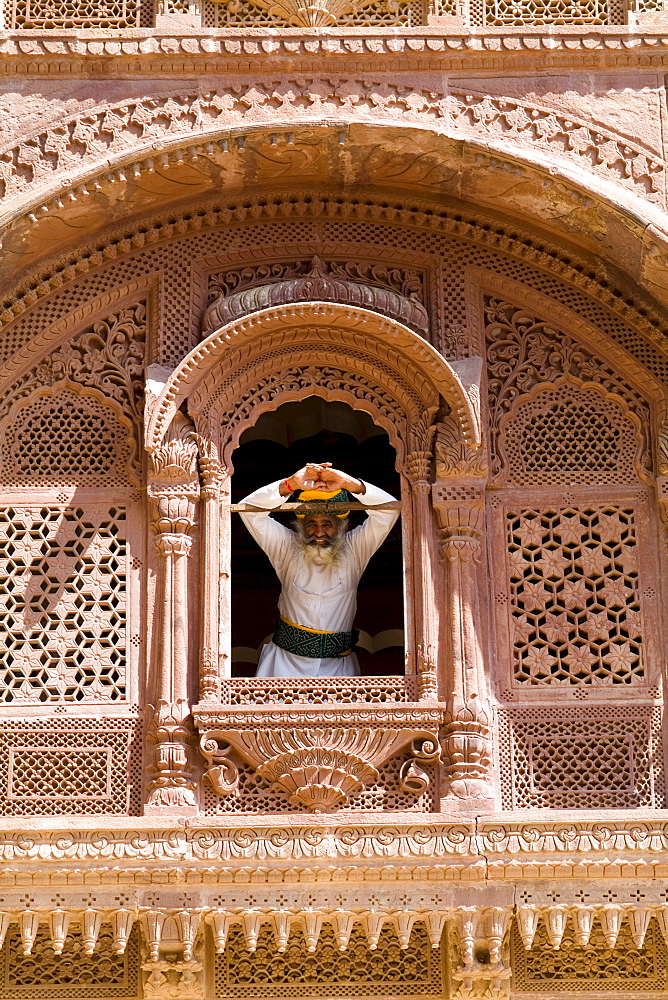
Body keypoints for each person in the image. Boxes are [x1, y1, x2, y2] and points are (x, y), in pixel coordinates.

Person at [240, 462, 398, 678]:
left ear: (340, 526)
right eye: (311, 523)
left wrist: (351, 485)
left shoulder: (354, 549)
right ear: (301, 526)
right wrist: (290, 484)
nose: (319, 532)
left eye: (327, 523)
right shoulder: (287, 547)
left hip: (339, 671)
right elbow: (248, 510)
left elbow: (389, 510)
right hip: (283, 668)